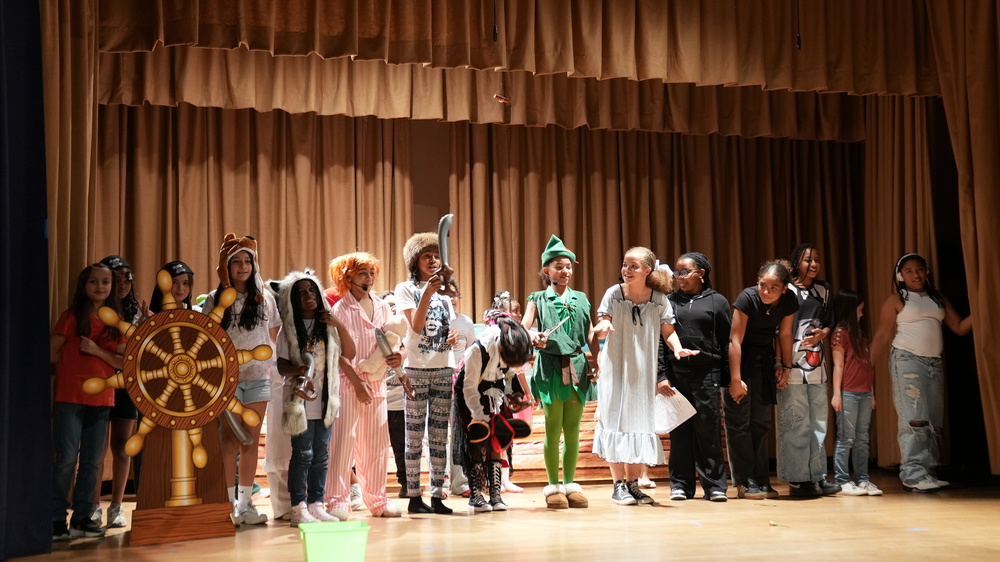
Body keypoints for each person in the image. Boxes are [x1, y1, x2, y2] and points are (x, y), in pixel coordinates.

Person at [591, 247, 700, 506]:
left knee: (639, 425)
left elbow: (668, 332)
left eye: (634, 266)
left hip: (642, 373)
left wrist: (677, 348)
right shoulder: (614, 293)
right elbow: (602, 323)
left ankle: (632, 484)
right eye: (625, 265)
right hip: (616, 371)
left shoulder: (659, 299)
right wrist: (603, 326)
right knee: (615, 424)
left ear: (647, 270)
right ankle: (618, 485)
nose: (627, 270)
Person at [870, 253, 973, 492]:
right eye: (909, 271)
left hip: (934, 363)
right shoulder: (897, 299)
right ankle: (913, 474)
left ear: (926, 271)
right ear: (900, 276)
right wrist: (868, 367)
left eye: (919, 269)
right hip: (908, 361)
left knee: (933, 419)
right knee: (914, 418)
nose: (916, 275)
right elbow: (882, 335)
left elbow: (959, 327)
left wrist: (981, 308)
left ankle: (928, 472)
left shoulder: (938, 299)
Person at [202, 234, 281, 525]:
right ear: (226, 266)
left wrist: (270, 366)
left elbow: (272, 335)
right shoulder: (214, 298)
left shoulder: (264, 297)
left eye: (248, 261)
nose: (243, 266)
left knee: (250, 440)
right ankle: (228, 504)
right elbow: (207, 336)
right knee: (229, 441)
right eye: (237, 261)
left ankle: (246, 504)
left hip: (259, 378)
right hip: (227, 380)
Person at [520, 235, 600, 509]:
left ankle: (570, 484)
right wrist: (534, 336)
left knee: (573, 429)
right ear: (547, 270)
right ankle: (553, 485)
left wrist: (597, 359)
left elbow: (590, 333)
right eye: (558, 267)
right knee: (553, 427)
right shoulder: (537, 299)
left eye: (568, 267)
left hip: (577, 365)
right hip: (551, 366)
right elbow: (523, 328)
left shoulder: (582, 298)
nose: (565, 271)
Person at [273, 269, 354, 525]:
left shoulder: (328, 327)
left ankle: (316, 504)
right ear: (292, 300)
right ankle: (298, 508)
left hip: (325, 401)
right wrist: (299, 370)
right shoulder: (288, 330)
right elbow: (281, 365)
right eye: (301, 293)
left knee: (321, 456)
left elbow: (350, 353)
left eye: (311, 290)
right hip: (300, 402)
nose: (308, 295)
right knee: (303, 455)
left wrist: (339, 324)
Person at [326, 253, 404, 519]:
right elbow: (337, 352)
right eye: (362, 273)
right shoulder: (340, 310)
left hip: (378, 384)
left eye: (371, 273)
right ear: (348, 277)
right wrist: (357, 383)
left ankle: (378, 500)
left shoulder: (382, 307)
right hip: (348, 384)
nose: (368, 278)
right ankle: (337, 500)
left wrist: (398, 356)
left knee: (376, 446)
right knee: (342, 445)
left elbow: (394, 341)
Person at [51, 263, 125, 540]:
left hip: (102, 398)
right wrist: (72, 367)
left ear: (112, 288)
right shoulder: (71, 317)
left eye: (105, 282)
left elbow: (123, 362)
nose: (100, 287)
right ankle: (55, 518)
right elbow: (51, 353)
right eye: (93, 281)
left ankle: (83, 517)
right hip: (70, 396)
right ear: (84, 285)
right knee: (66, 459)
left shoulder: (115, 323)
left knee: (92, 462)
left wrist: (96, 351)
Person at [656, 252, 731, 502]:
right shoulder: (669, 302)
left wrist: (727, 379)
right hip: (677, 375)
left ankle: (715, 486)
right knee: (680, 431)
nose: (679, 277)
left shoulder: (718, 302)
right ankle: (680, 485)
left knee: (708, 430)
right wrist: (662, 375)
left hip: (707, 373)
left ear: (701, 273)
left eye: (685, 271)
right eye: (677, 272)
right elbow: (661, 341)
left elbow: (726, 341)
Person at [395, 232, 458, 515]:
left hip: (444, 368)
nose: (432, 260)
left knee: (439, 436)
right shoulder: (405, 289)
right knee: (413, 436)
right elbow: (417, 326)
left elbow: (448, 328)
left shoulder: (445, 293)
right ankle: (413, 496)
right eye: (426, 256)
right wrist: (429, 293)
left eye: (436, 256)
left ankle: (437, 495)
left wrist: (455, 335)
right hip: (417, 370)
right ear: (415, 261)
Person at [725, 260, 799, 499]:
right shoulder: (747, 298)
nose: (766, 292)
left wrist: (786, 366)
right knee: (739, 422)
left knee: (761, 422)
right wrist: (735, 379)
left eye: (773, 287)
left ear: (784, 288)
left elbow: (785, 334)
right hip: (739, 360)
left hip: (764, 361)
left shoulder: (789, 300)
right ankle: (744, 481)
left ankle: (761, 479)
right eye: (762, 285)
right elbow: (735, 341)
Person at [89, 256, 148, 529]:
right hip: (100, 380)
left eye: (128, 278)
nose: (123, 284)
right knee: (96, 449)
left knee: (123, 446)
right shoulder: (95, 309)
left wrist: (145, 325)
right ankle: (93, 506)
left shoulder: (135, 311)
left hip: (126, 384)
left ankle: (116, 506)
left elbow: (135, 353)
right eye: (117, 278)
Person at [777, 244, 840, 497]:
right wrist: (781, 364)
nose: (814, 264)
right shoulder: (786, 289)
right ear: (796, 262)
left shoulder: (823, 289)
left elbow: (829, 321)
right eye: (807, 260)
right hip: (791, 361)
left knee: (818, 422)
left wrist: (823, 333)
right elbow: (779, 328)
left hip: (817, 363)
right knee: (796, 421)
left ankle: (817, 475)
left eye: (817, 259)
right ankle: (798, 479)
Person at [454, 316, 534, 512]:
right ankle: (476, 495)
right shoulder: (477, 350)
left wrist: (513, 397)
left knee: (496, 442)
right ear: (501, 349)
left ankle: (495, 494)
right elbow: (469, 388)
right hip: (471, 395)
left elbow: (509, 375)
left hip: (495, 393)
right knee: (476, 441)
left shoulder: (513, 345)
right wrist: (479, 416)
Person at [830, 289, 882, 496]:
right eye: (859, 310)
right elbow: (838, 365)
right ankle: (842, 480)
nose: (862, 313)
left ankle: (863, 479)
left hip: (864, 393)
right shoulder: (840, 333)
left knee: (862, 440)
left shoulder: (859, 334)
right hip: (848, 392)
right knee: (846, 438)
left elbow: (868, 365)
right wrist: (837, 394)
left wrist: (872, 392)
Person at [484, 290, 531, 494]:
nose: (519, 315)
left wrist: (519, 395)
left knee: (505, 438)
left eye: (520, 311)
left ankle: (505, 479)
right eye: (515, 311)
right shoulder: (492, 337)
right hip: (489, 393)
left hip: (505, 395)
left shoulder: (518, 336)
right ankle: (491, 480)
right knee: (492, 438)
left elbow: (515, 371)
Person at [379, 290, 409, 498]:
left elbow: (407, 350)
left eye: (395, 305)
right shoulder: (374, 331)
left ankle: (406, 484)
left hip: (399, 401)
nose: (392, 308)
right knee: (370, 448)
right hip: (376, 400)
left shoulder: (405, 334)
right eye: (388, 305)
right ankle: (366, 487)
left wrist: (400, 353)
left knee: (401, 447)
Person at [447, 279, 475, 498]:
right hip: (438, 379)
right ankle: (439, 481)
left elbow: (472, 352)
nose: (452, 299)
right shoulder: (431, 320)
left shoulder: (466, 322)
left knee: (459, 432)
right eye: (446, 295)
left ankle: (460, 482)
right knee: (437, 435)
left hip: (461, 384)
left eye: (454, 295)